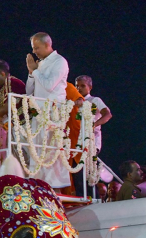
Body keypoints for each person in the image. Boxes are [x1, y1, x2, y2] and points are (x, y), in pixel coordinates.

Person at [25, 32, 69, 192]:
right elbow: (29, 90)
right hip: (38, 113)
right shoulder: (40, 64)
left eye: (36, 48)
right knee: (37, 152)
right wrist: (31, 72)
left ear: (47, 45)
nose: (34, 51)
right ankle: (38, 189)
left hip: (53, 113)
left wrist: (36, 71)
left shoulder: (60, 61)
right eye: (33, 48)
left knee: (51, 152)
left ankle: (54, 192)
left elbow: (49, 85)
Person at [75, 75, 112, 154]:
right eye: (77, 86)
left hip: (92, 141)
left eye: (82, 86)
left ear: (90, 87)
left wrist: (93, 125)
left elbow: (108, 115)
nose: (79, 88)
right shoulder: (74, 101)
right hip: (76, 141)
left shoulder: (95, 100)